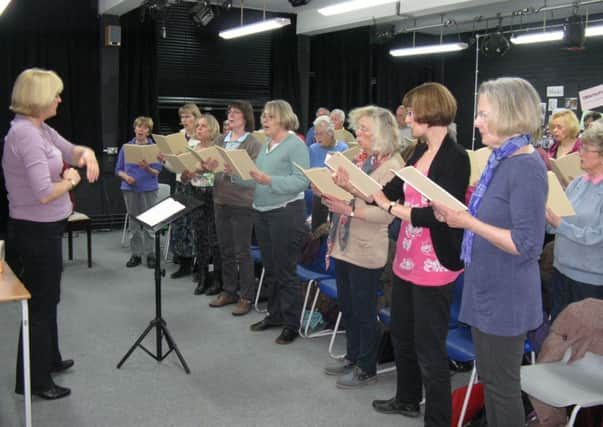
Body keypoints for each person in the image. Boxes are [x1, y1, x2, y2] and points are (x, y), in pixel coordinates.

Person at [433, 77, 547, 427]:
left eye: (484, 114)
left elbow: (527, 245)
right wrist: (457, 218)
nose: (476, 121)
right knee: (492, 381)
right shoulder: (501, 160)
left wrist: (467, 222)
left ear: (511, 114)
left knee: (502, 388)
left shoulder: (526, 166)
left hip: (506, 294)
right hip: (487, 286)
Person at [370, 83, 470, 426]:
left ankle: (439, 419)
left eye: (411, 112)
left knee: (430, 347)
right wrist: (355, 186)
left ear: (429, 112)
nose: (406, 118)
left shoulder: (456, 158)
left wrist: (393, 209)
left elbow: (442, 216)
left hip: (435, 263)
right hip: (407, 258)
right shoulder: (417, 150)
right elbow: (389, 192)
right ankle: (407, 398)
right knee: (402, 334)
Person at [3, 68, 100, 399]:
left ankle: (50, 359)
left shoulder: (40, 129)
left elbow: (72, 150)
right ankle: (34, 381)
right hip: (35, 232)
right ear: (39, 99)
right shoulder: (25, 136)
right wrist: (72, 180)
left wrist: (87, 157)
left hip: (46, 228)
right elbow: (44, 192)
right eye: (55, 94)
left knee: (49, 298)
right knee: (41, 304)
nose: (60, 99)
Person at [318, 106, 402, 388]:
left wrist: (349, 208)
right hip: (344, 241)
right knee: (349, 306)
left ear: (382, 134)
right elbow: (349, 195)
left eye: (365, 129)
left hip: (366, 246)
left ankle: (367, 367)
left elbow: (386, 214)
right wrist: (326, 190)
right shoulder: (361, 158)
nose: (359, 133)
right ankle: (353, 355)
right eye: (359, 128)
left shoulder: (394, 167)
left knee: (365, 310)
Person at [230, 99, 309, 344]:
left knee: (286, 272)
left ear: (284, 119)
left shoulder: (295, 144)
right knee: (272, 269)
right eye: (263, 116)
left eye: (270, 117)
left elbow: (301, 181)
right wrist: (232, 173)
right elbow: (255, 180)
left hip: (285, 213)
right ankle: (274, 316)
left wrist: (269, 180)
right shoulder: (266, 144)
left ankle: (291, 324)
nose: (264, 120)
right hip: (262, 212)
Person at [204, 101, 261, 315]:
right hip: (220, 199)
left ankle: (246, 296)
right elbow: (212, 166)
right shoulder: (220, 139)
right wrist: (208, 166)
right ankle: (229, 291)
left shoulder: (253, 143)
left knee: (242, 252)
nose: (231, 115)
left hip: (242, 203)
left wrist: (235, 171)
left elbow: (254, 174)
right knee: (225, 248)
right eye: (229, 112)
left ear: (245, 117)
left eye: (236, 112)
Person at [546, 120, 603, 321]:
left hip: (589, 280)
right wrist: (547, 215)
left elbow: (597, 236)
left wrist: (560, 225)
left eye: (587, 149)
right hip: (561, 270)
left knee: (583, 343)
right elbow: (560, 220)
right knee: (558, 335)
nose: (580, 152)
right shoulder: (578, 183)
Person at [182, 113, 222, 296]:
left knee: (215, 237)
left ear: (212, 128)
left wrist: (206, 168)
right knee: (199, 236)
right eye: (197, 126)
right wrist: (190, 172)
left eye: (203, 126)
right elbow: (183, 176)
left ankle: (217, 279)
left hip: (214, 193)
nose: (198, 129)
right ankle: (203, 276)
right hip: (196, 192)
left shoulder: (218, 148)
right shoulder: (191, 147)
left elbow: (222, 174)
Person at [115, 116, 162, 269]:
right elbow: (118, 170)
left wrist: (146, 168)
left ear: (149, 131)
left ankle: (150, 254)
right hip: (130, 189)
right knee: (134, 223)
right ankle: (136, 254)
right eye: (138, 126)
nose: (141, 129)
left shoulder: (154, 148)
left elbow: (156, 172)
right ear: (134, 128)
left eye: (145, 127)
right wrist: (126, 177)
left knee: (150, 222)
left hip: (149, 188)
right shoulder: (126, 147)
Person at [164, 103, 201, 280]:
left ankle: (198, 263)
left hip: (197, 185)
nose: (184, 120)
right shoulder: (178, 136)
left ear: (196, 117)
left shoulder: (202, 136)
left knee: (194, 225)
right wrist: (166, 160)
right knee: (180, 224)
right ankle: (184, 262)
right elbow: (173, 167)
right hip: (180, 183)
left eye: (188, 117)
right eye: (183, 117)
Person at [308, 115, 348, 230]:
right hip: (319, 194)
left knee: (335, 230)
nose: (317, 137)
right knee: (316, 230)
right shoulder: (313, 148)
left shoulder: (342, 148)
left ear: (330, 133)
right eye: (316, 134)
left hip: (337, 196)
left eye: (321, 134)